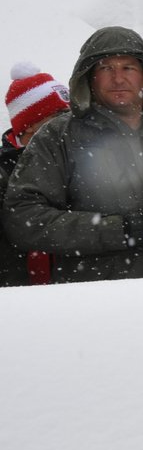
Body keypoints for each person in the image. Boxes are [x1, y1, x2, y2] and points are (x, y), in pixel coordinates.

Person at [3, 27, 143, 281]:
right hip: (100, 304)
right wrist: (118, 230)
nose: (118, 79)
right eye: (106, 68)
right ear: (89, 77)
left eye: (128, 67)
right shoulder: (58, 137)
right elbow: (22, 218)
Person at [1, 62, 71, 286]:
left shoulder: (72, 162)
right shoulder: (4, 174)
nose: (70, 121)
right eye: (60, 113)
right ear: (30, 124)